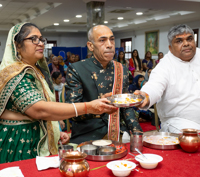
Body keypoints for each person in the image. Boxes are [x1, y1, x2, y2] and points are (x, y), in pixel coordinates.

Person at [0, 22, 117, 163]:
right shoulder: (15, 74)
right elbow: (39, 110)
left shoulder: (35, 70)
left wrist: (55, 131)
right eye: (33, 39)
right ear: (17, 45)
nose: (41, 43)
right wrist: (89, 107)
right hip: (20, 141)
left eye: (41, 39)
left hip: (36, 135)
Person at [65, 25, 142, 144]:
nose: (109, 44)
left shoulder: (122, 69)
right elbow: (72, 112)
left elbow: (126, 107)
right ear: (91, 46)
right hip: (87, 135)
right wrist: (96, 106)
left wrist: (137, 132)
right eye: (102, 40)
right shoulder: (77, 69)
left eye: (111, 39)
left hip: (118, 133)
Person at [135, 24, 200, 133]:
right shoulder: (165, 65)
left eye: (189, 39)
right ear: (170, 47)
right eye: (179, 41)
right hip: (178, 122)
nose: (186, 44)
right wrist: (144, 96)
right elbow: (154, 86)